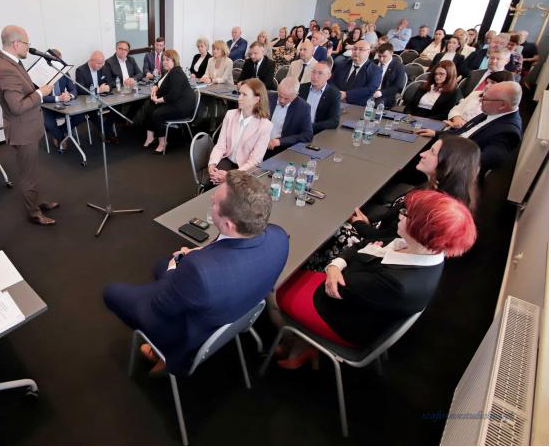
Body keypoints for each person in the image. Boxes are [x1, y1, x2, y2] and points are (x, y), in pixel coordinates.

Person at [103, 170, 289, 375]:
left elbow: (160, 307)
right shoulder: (279, 237)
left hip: (191, 331)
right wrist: (200, 253)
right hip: (235, 306)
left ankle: (166, 352)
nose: (211, 198)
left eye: (215, 203)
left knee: (112, 292)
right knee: (159, 265)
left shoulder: (199, 272)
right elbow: (228, 248)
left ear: (228, 224)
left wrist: (174, 269)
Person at [272, 190, 475, 368]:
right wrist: (336, 265)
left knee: (275, 287)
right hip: (357, 300)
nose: (400, 215)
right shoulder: (423, 248)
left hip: (339, 315)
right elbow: (363, 245)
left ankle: (295, 343)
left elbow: (339, 284)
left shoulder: (399, 284)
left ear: (420, 230)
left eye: (406, 214)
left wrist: (340, 264)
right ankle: (303, 342)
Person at [305, 135, 480, 271]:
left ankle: (314, 269)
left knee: (330, 227)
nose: (423, 153)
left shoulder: (433, 210)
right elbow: (393, 215)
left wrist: (361, 225)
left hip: (375, 249)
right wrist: (368, 221)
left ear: (448, 164)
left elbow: (390, 239)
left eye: (432, 152)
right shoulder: (431, 188)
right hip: (379, 231)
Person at [0, 25, 58, 226]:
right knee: (28, 175)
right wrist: (40, 93)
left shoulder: (12, 61)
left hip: (29, 127)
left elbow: (22, 89)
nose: (28, 47)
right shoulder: (5, 69)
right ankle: (33, 213)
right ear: (16, 44)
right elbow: (17, 107)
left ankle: (36, 202)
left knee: (33, 171)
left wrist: (37, 88)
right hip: (22, 130)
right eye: (26, 43)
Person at [417, 81, 523, 172]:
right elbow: (462, 132)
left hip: (455, 166)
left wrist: (441, 158)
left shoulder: (509, 132)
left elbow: (481, 162)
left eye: (485, 99)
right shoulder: (493, 112)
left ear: (502, 105)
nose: (480, 101)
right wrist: (436, 133)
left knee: (416, 159)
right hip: (452, 148)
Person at [207, 78, 272, 184]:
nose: (239, 98)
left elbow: (254, 161)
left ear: (257, 99)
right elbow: (220, 145)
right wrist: (212, 164)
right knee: (213, 181)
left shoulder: (265, 126)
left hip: (246, 169)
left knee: (230, 188)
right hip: (228, 160)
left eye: (244, 95)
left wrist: (230, 176)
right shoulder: (230, 115)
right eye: (239, 93)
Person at [135, 49, 195, 154]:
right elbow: (158, 83)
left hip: (182, 106)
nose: (164, 62)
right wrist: (154, 88)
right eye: (163, 60)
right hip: (175, 102)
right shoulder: (168, 72)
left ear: (174, 60)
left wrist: (157, 100)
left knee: (157, 114)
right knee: (150, 107)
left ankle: (162, 143)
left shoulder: (176, 73)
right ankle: (150, 137)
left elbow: (173, 95)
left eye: (168, 59)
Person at [42, 49, 85, 150]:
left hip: (63, 105)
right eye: (57, 61)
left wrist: (69, 95)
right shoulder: (41, 75)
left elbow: (74, 89)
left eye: (60, 61)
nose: (59, 64)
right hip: (47, 107)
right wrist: (58, 98)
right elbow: (41, 96)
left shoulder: (64, 72)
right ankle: (61, 137)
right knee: (49, 124)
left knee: (80, 116)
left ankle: (59, 133)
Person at [75, 50, 118, 144]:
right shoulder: (80, 70)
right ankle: (108, 133)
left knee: (116, 106)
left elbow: (111, 81)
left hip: (103, 97)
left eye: (103, 63)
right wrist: (98, 90)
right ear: (91, 61)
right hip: (88, 100)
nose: (101, 66)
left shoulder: (104, 67)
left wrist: (108, 87)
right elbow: (80, 90)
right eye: (99, 63)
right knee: (93, 112)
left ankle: (106, 128)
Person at [447, 70, 515, 129]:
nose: (487, 86)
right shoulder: (476, 94)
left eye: (493, 83)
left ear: (503, 87)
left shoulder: (497, 107)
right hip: (452, 126)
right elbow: (455, 109)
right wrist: (457, 118)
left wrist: (462, 125)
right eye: (487, 82)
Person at [265, 76, 313, 158]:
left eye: (286, 98)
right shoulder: (268, 97)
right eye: (280, 95)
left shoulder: (303, 107)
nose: (281, 100)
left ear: (296, 95)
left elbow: (307, 135)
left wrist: (280, 141)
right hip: (260, 143)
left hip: (280, 150)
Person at [330, 40, 382, 105]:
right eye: (354, 49)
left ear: (368, 52)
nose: (356, 52)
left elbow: (370, 89)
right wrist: (338, 94)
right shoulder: (342, 64)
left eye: (361, 49)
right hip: (336, 100)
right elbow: (331, 81)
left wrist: (346, 95)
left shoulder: (375, 70)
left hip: (357, 105)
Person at [298, 61, 341, 133]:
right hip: (296, 128)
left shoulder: (334, 94)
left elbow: (334, 121)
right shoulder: (302, 88)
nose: (315, 76)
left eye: (320, 73)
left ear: (328, 76)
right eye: (313, 72)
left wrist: (310, 126)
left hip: (315, 131)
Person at [373, 43, 407, 108]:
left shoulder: (399, 67)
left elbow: (396, 87)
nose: (381, 59)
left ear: (391, 53)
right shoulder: (373, 63)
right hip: (369, 91)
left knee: (375, 105)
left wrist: (381, 93)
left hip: (385, 95)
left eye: (384, 56)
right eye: (379, 56)